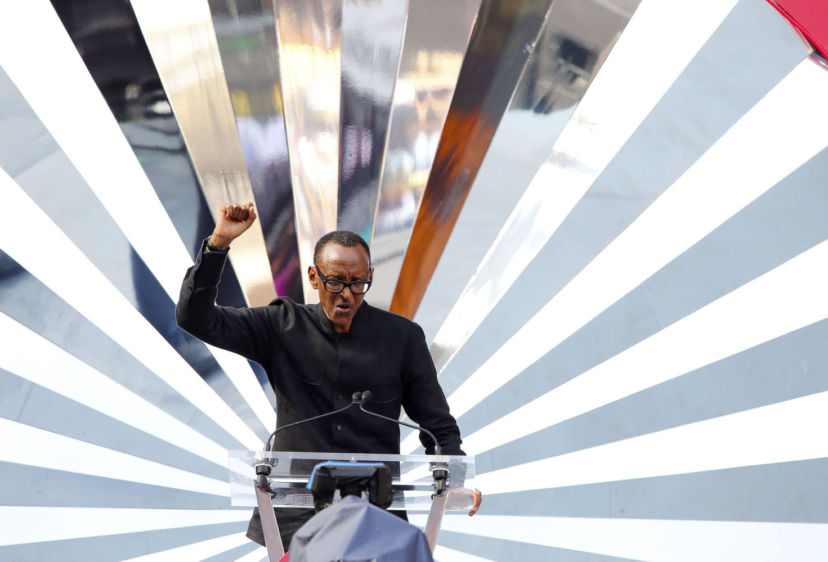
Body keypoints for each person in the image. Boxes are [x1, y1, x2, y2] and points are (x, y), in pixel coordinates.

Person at [176, 203, 480, 547]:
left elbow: (437, 425)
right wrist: (218, 244)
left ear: (370, 277)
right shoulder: (281, 326)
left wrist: (453, 482)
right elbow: (195, 318)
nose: (346, 294)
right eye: (334, 282)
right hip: (294, 522)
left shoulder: (402, 338)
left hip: (375, 519)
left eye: (357, 283)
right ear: (313, 277)